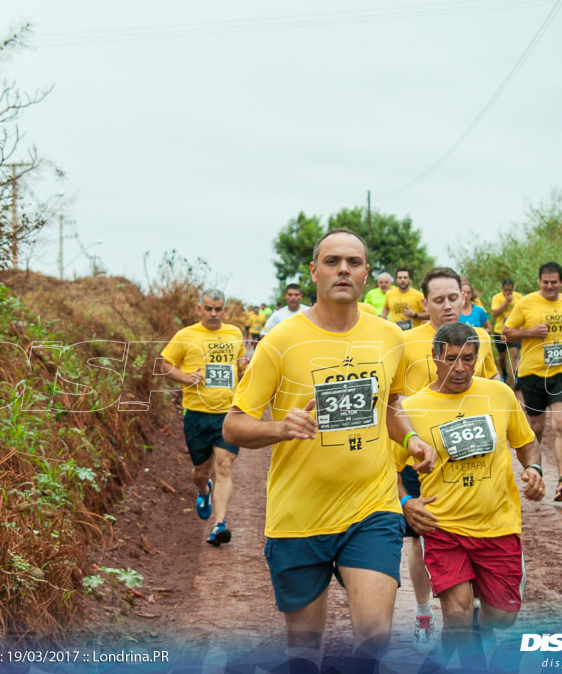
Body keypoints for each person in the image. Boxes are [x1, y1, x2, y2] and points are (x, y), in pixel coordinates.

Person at [223, 228, 436, 672]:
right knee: (304, 653)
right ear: (314, 271)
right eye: (333, 261)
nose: (344, 269)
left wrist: (411, 438)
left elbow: (391, 406)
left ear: (366, 275)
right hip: (299, 516)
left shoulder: (389, 337)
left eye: (354, 262)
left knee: (375, 638)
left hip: (372, 509)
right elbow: (234, 425)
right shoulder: (281, 341)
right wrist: (280, 427)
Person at [400, 322, 544, 665]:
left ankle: (446, 654)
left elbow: (526, 443)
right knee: (458, 615)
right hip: (443, 526)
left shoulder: (499, 395)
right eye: (451, 359)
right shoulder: (412, 409)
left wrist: (533, 468)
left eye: (468, 358)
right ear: (434, 357)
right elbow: (386, 470)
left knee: (500, 617)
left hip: (498, 524)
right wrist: (406, 502)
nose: (460, 368)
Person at [393, 268, 499, 652]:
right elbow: (392, 401)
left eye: (453, 297)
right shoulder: (403, 343)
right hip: (420, 455)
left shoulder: (481, 338)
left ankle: (467, 605)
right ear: (425, 304)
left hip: (469, 451)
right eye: (438, 300)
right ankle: (424, 611)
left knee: (474, 532)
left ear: (464, 297)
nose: (448, 305)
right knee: (422, 540)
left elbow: (491, 386)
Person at [160, 288, 248, 545]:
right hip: (196, 414)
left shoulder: (233, 333)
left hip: (226, 414)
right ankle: (203, 490)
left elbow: (240, 362)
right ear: (199, 309)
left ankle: (219, 525)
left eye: (218, 309)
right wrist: (186, 378)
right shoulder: (185, 335)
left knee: (224, 467)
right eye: (208, 308)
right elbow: (165, 364)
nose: (213, 313)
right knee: (201, 471)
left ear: (225, 310)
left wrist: (244, 367)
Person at [503, 262, 562, 501]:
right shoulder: (526, 303)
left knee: (560, 423)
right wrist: (530, 333)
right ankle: (534, 473)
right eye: (545, 282)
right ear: (539, 282)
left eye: (554, 282)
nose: (549, 286)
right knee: (536, 428)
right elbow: (506, 333)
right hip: (532, 373)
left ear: (561, 282)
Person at [491, 280, 523, 389]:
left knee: (514, 353)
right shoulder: (497, 298)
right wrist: (506, 302)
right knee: (502, 355)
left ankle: (517, 376)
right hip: (499, 330)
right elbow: (495, 313)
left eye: (510, 290)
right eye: (506, 291)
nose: (508, 293)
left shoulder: (519, 297)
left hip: (514, 331)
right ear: (502, 289)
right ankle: (504, 372)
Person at [383, 266, 426, 331]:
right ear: (396, 280)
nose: (402, 280)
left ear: (410, 280)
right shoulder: (389, 294)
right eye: (400, 278)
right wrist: (383, 319)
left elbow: (429, 314)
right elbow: (386, 307)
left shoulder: (419, 295)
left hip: (413, 333)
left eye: (405, 277)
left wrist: (415, 315)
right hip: (394, 332)